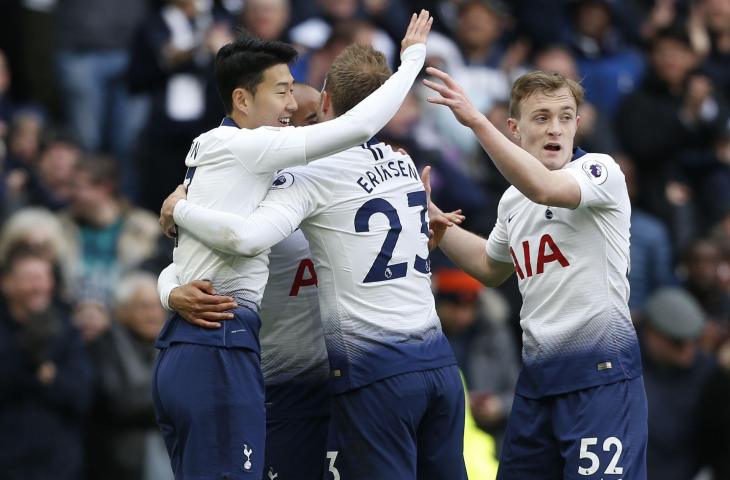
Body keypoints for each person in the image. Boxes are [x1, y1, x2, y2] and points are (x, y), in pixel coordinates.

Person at [158, 43, 466, 480]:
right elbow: (198, 255)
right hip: (287, 386)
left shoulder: (327, 181)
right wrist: (170, 289)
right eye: (290, 120)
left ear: (326, 114)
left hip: (356, 380)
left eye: (308, 123)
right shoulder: (257, 184)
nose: (298, 134)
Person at [420, 67, 648, 479]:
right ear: (515, 128)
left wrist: (475, 122)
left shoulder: (600, 172)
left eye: (565, 117)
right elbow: (491, 267)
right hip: (537, 382)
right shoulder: (512, 200)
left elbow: (545, 189)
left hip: (600, 379)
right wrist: (439, 225)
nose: (555, 128)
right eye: (541, 118)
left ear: (578, 124)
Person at [157, 82, 330, 480]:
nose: (310, 133)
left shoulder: (339, 187)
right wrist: (170, 292)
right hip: (268, 381)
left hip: (340, 380)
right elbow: (187, 262)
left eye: (319, 120)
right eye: (302, 121)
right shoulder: (247, 194)